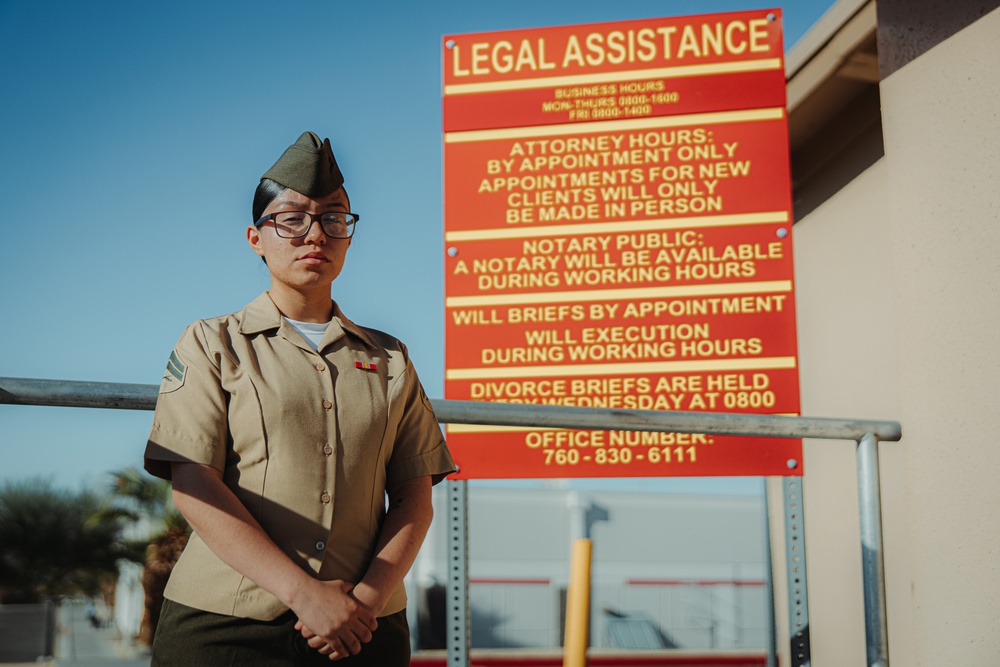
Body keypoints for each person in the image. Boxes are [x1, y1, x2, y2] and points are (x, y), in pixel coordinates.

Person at [143, 131, 456, 665]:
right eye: (291, 218)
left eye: (334, 219)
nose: (316, 234)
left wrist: (365, 601)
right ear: (254, 238)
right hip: (224, 629)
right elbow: (193, 483)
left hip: (363, 629)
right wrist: (304, 594)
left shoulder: (390, 358)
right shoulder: (211, 343)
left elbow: (414, 496)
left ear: (349, 237)